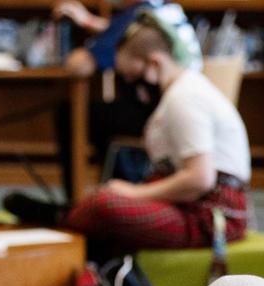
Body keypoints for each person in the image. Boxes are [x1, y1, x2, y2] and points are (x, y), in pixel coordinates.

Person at [7, 11, 249, 252]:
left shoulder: (184, 98)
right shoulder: (180, 91)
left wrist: (135, 193)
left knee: (107, 205)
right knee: (108, 200)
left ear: (155, 63)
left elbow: (200, 179)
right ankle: (71, 219)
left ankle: (62, 218)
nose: (132, 87)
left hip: (211, 216)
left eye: (132, 77)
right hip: (193, 205)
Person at [52, 0, 201, 198]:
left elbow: (80, 66)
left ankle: (82, 199)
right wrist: (90, 22)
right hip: (189, 116)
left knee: (71, 113)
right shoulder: (165, 12)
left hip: (161, 116)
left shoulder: (137, 16)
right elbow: (119, 30)